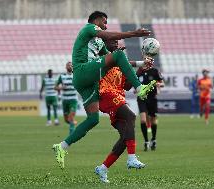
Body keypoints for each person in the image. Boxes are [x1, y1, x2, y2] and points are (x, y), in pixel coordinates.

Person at [52, 11, 156, 169]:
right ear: (96, 20)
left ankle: (62, 146)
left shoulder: (98, 44)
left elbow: (119, 61)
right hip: (82, 71)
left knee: (93, 119)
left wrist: (142, 63)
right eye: (104, 21)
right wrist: (134, 33)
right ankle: (139, 87)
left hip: (87, 82)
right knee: (118, 55)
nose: (106, 25)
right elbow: (108, 37)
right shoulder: (88, 29)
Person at [95, 39, 150, 183]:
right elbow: (112, 58)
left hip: (117, 97)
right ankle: (131, 158)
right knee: (131, 116)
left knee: (125, 137)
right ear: (104, 46)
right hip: (106, 94)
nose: (116, 43)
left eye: (116, 42)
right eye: (112, 41)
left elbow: (126, 86)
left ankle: (103, 168)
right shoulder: (103, 60)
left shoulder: (121, 63)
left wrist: (140, 70)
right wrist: (137, 62)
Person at [137, 61, 164, 151]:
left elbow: (162, 83)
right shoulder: (139, 71)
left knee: (153, 119)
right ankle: (146, 141)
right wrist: (136, 89)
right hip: (142, 98)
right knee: (143, 120)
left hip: (152, 98)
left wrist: (159, 85)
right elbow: (134, 82)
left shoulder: (155, 71)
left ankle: (153, 139)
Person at [55, 62, 78, 135]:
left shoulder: (76, 75)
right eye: (68, 65)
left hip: (73, 99)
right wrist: (61, 87)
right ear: (66, 67)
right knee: (66, 119)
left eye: (71, 65)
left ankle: (72, 133)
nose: (70, 66)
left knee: (71, 115)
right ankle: (73, 122)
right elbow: (55, 87)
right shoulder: (62, 77)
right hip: (65, 100)